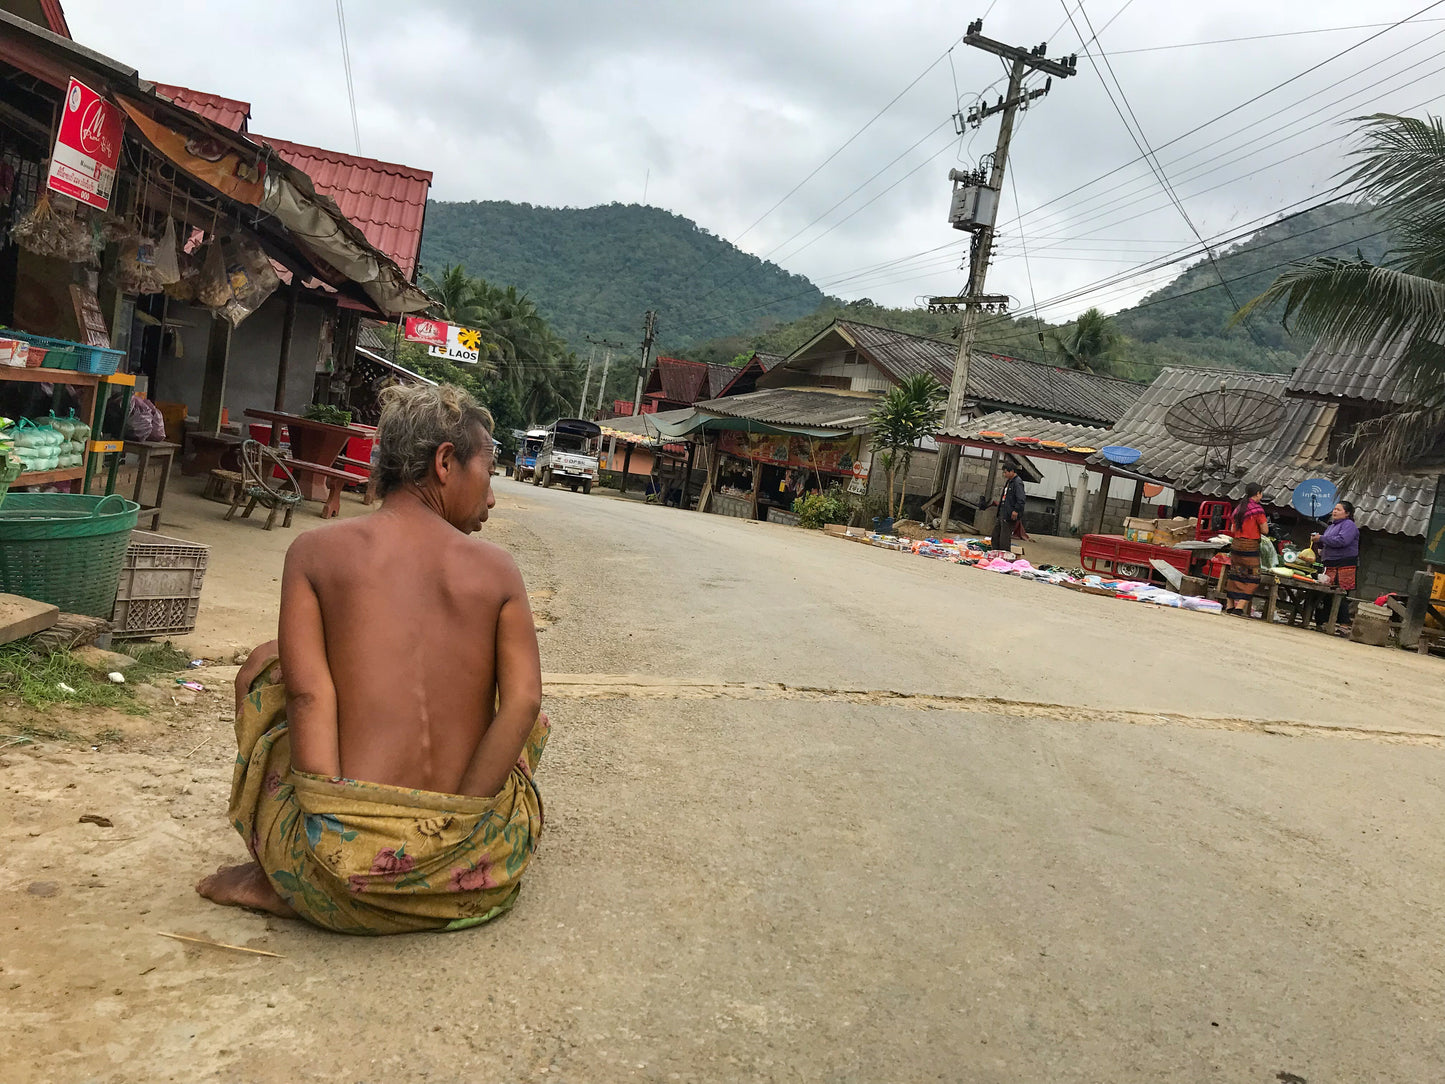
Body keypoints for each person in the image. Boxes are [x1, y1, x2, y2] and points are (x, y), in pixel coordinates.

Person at [197, 384, 548, 934]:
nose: (493, 496)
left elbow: (309, 696)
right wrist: (456, 828)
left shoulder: (314, 553)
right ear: (445, 461)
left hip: (337, 880)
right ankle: (453, 833)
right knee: (525, 713)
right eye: (490, 471)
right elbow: (525, 701)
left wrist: (331, 853)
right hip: (472, 873)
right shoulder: (498, 570)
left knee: (268, 669)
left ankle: (279, 876)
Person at [1312, 500, 1359, 631]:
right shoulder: (1331, 526)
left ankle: (1344, 624)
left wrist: (1321, 538)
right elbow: (1328, 542)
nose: (1334, 511)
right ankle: (1325, 621)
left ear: (1347, 513)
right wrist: (1319, 542)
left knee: (1340, 592)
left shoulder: (1349, 525)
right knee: (1327, 593)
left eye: (1338, 510)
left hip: (1343, 564)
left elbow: (1343, 540)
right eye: (1334, 509)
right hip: (1329, 564)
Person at [1224, 483, 1268, 615]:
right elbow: (1265, 530)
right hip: (1250, 547)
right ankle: (1239, 607)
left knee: (1236, 573)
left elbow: (1232, 529)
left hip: (1236, 545)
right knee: (1253, 577)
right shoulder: (1258, 510)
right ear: (1258, 493)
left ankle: (1230, 605)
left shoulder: (1238, 508)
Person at [991, 462, 1026, 552]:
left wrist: (1016, 510)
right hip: (1003, 511)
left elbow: (1021, 499)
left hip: (1009, 513)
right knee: (996, 535)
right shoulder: (1009, 482)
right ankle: (995, 552)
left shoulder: (1018, 483)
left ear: (1012, 471)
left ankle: (1004, 557)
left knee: (1004, 538)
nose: (1004, 474)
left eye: (1006, 472)